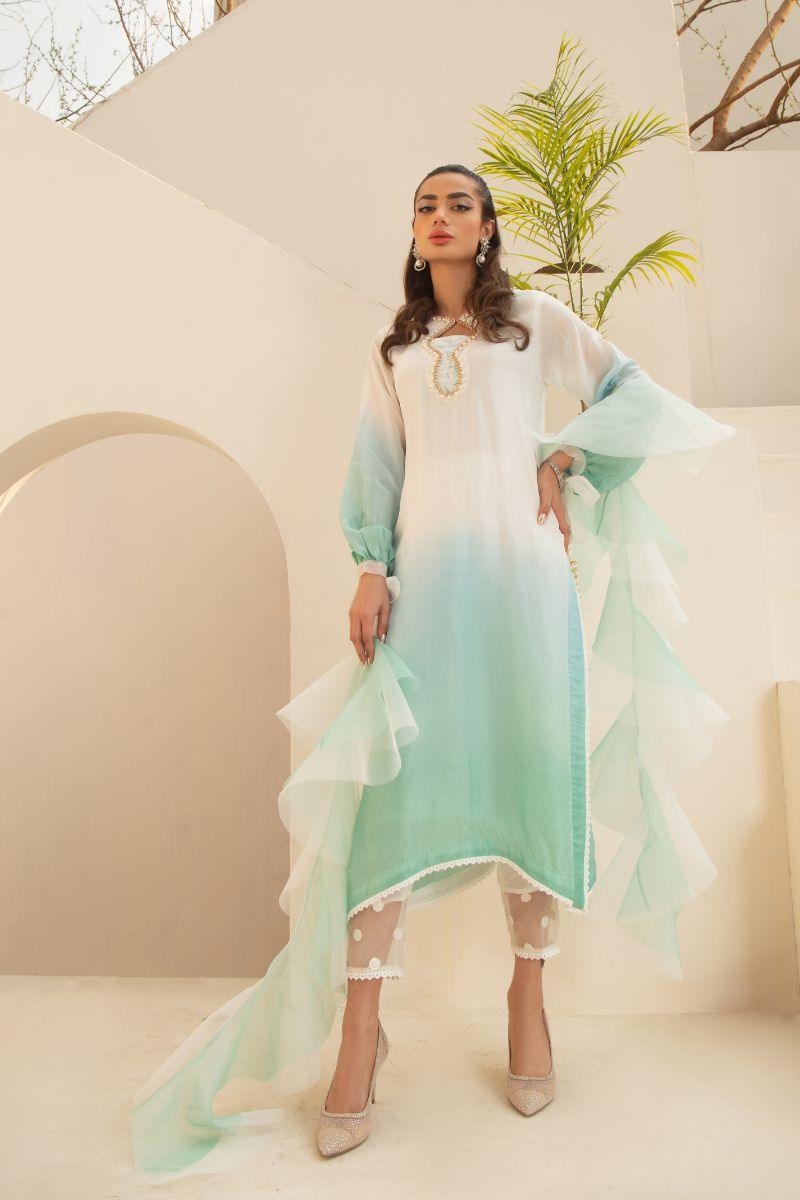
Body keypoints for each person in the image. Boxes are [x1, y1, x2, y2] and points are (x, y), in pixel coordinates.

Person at [130, 165, 735, 1180]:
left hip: (523, 585)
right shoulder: (396, 350)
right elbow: (377, 469)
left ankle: (527, 998)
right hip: (428, 590)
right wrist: (372, 568)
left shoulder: (530, 323)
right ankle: (362, 1029)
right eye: (424, 206)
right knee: (392, 797)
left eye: (459, 204)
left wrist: (562, 458)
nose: (440, 217)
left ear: (487, 226)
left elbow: (631, 394)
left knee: (530, 775)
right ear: (413, 235)